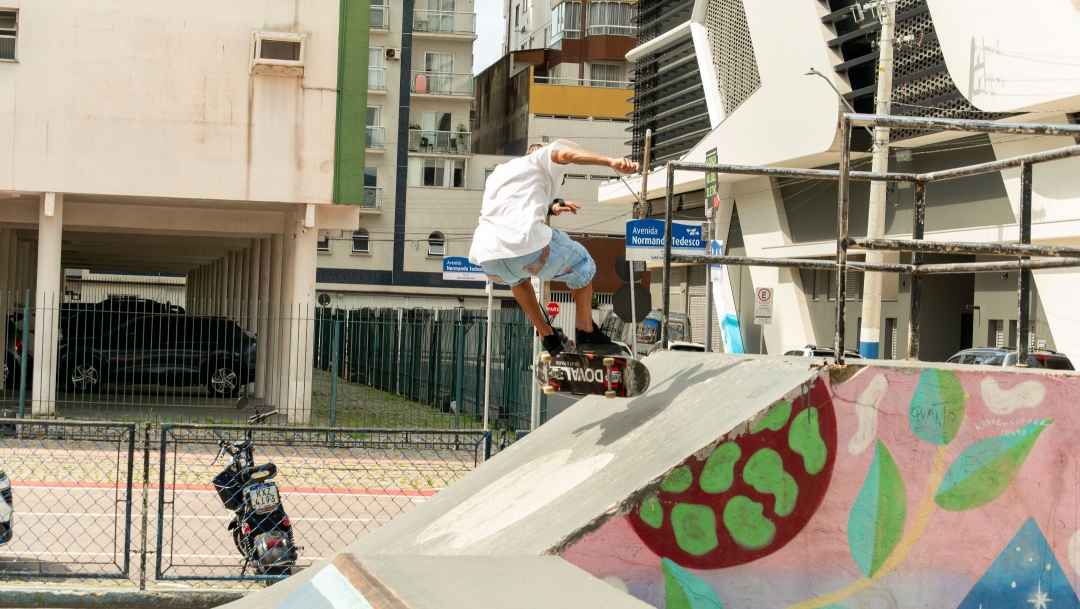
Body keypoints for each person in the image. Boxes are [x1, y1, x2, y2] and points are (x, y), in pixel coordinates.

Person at [468, 140, 640, 356]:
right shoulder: (542, 157)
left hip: (489, 260)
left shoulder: (501, 172)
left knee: (517, 279)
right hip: (527, 249)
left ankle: (548, 336)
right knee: (582, 263)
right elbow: (566, 154)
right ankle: (587, 332)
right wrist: (610, 161)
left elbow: (514, 207)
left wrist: (551, 208)